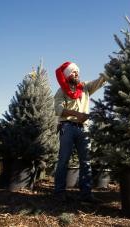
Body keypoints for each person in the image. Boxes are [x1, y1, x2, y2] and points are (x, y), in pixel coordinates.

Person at [53, 61, 106, 203]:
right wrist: (76, 114)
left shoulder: (85, 88)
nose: (76, 73)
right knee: (63, 160)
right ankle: (59, 193)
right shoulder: (61, 91)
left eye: (77, 71)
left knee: (86, 161)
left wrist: (110, 71)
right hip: (67, 127)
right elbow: (58, 109)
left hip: (84, 129)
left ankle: (86, 194)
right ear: (67, 75)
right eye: (73, 72)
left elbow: (100, 81)